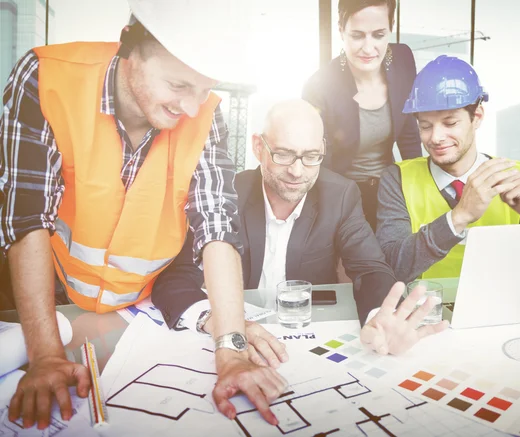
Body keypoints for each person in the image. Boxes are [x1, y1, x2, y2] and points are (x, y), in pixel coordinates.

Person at [0, 0, 286, 429]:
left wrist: (231, 352)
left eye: (204, 90)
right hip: (52, 300)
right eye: (178, 85)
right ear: (129, 47)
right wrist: (44, 356)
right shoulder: (45, 79)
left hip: (144, 311)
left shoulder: (205, 115)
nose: (191, 108)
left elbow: (217, 227)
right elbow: (25, 219)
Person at [152, 99, 448, 360]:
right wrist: (219, 323)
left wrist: (378, 317)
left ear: (322, 150)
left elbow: (370, 269)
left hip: (307, 339)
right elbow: (175, 281)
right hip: (237, 336)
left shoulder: (340, 195)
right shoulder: (224, 196)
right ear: (259, 147)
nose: (297, 171)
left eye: (311, 156)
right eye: (283, 154)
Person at [376, 55, 520, 282]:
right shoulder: (397, 179)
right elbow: (391, 267)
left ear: (477, 117)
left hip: (501, 312)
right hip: (425, 313)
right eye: (425, 126)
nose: (436, 137)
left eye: (450, 123)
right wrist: (458, 217)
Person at [302, 0, 422, 231]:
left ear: (391, 26)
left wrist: (415, 189)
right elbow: (319, 165)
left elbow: (408, 134)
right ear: (341, 30)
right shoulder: (320, 87)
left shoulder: (403, 59)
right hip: (342, 194)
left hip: (391, 188)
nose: (368, 49)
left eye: (378, 35)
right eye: (357, 35)